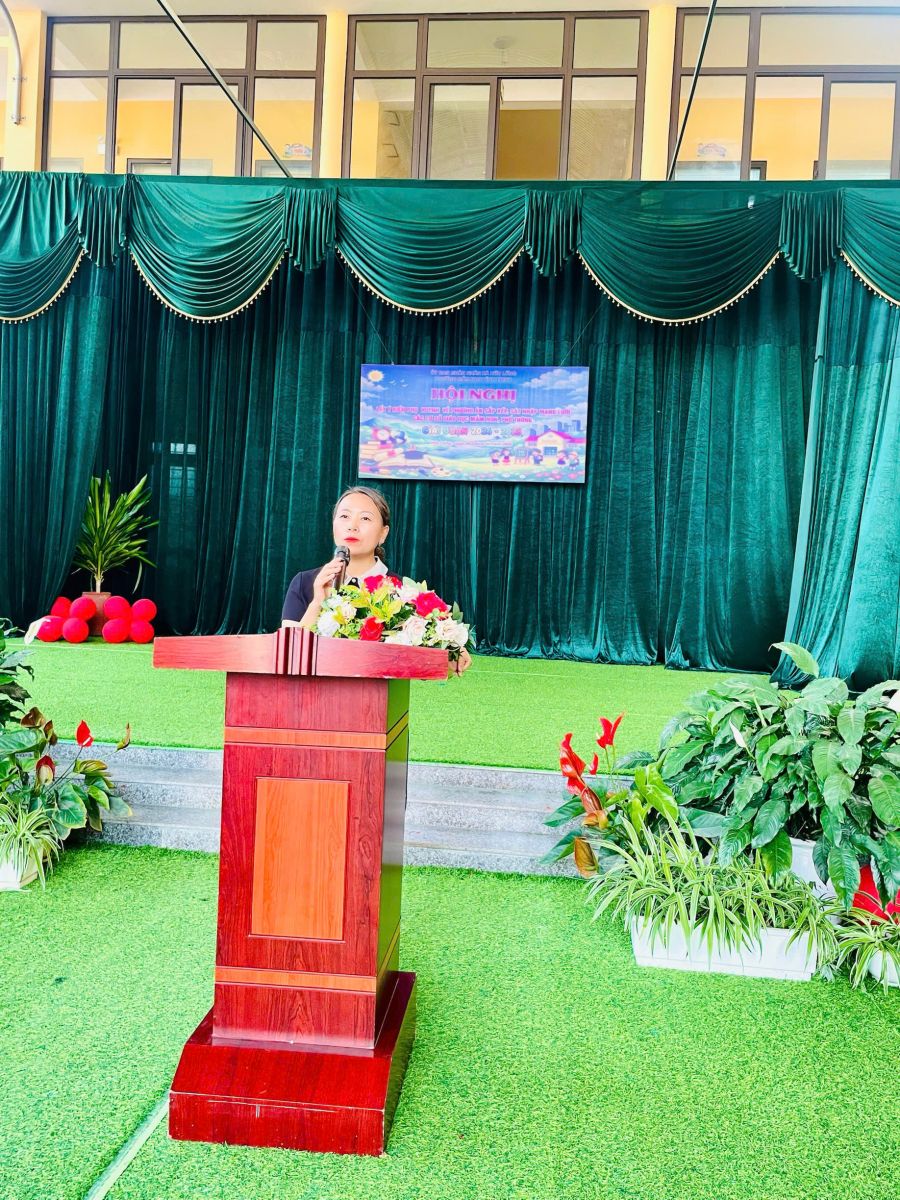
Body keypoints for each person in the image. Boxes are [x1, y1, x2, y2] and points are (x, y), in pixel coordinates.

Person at [282, 486, 471, 676]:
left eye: (365, 518)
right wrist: (317, 603)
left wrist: (450, 647)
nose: (352, 526)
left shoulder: (403, 591)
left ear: (383, 533)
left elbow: (430, 654)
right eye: (344, 516)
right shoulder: (304, 583)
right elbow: (288, 653)